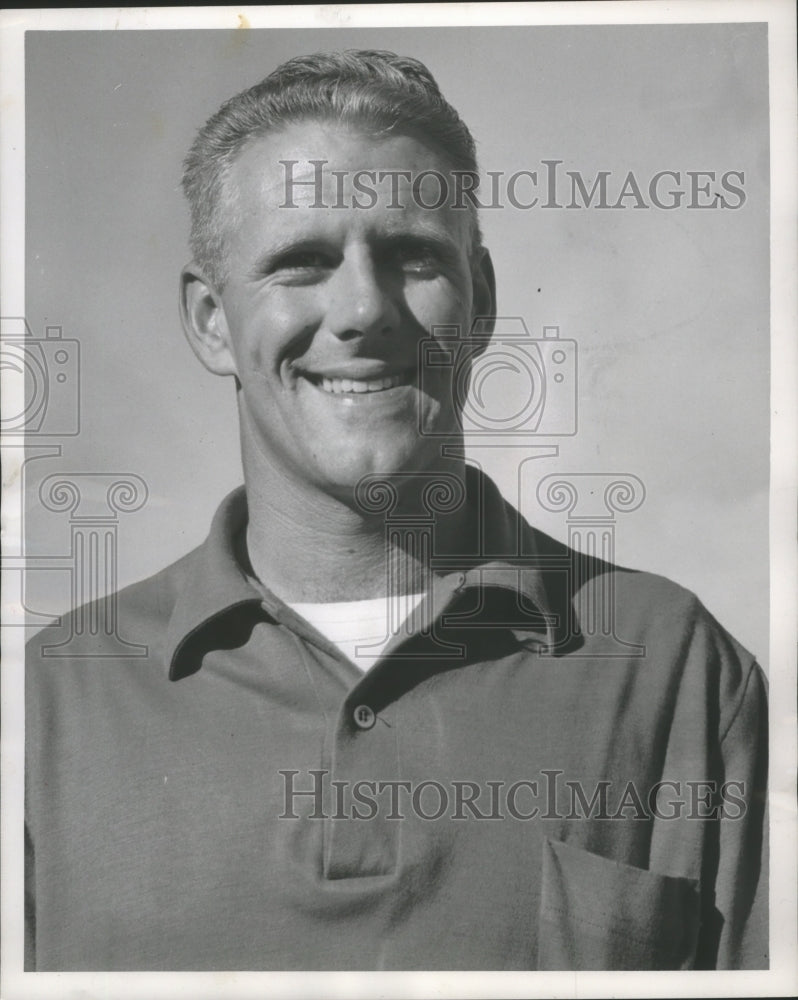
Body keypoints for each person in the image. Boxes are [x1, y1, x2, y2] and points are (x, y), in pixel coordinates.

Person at [25, 49, 767, 972]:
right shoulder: (51, 703)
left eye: (412, 255)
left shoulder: (671, 668)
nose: (364, 309)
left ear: (483, 298)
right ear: (212, 321)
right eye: (301, 262)